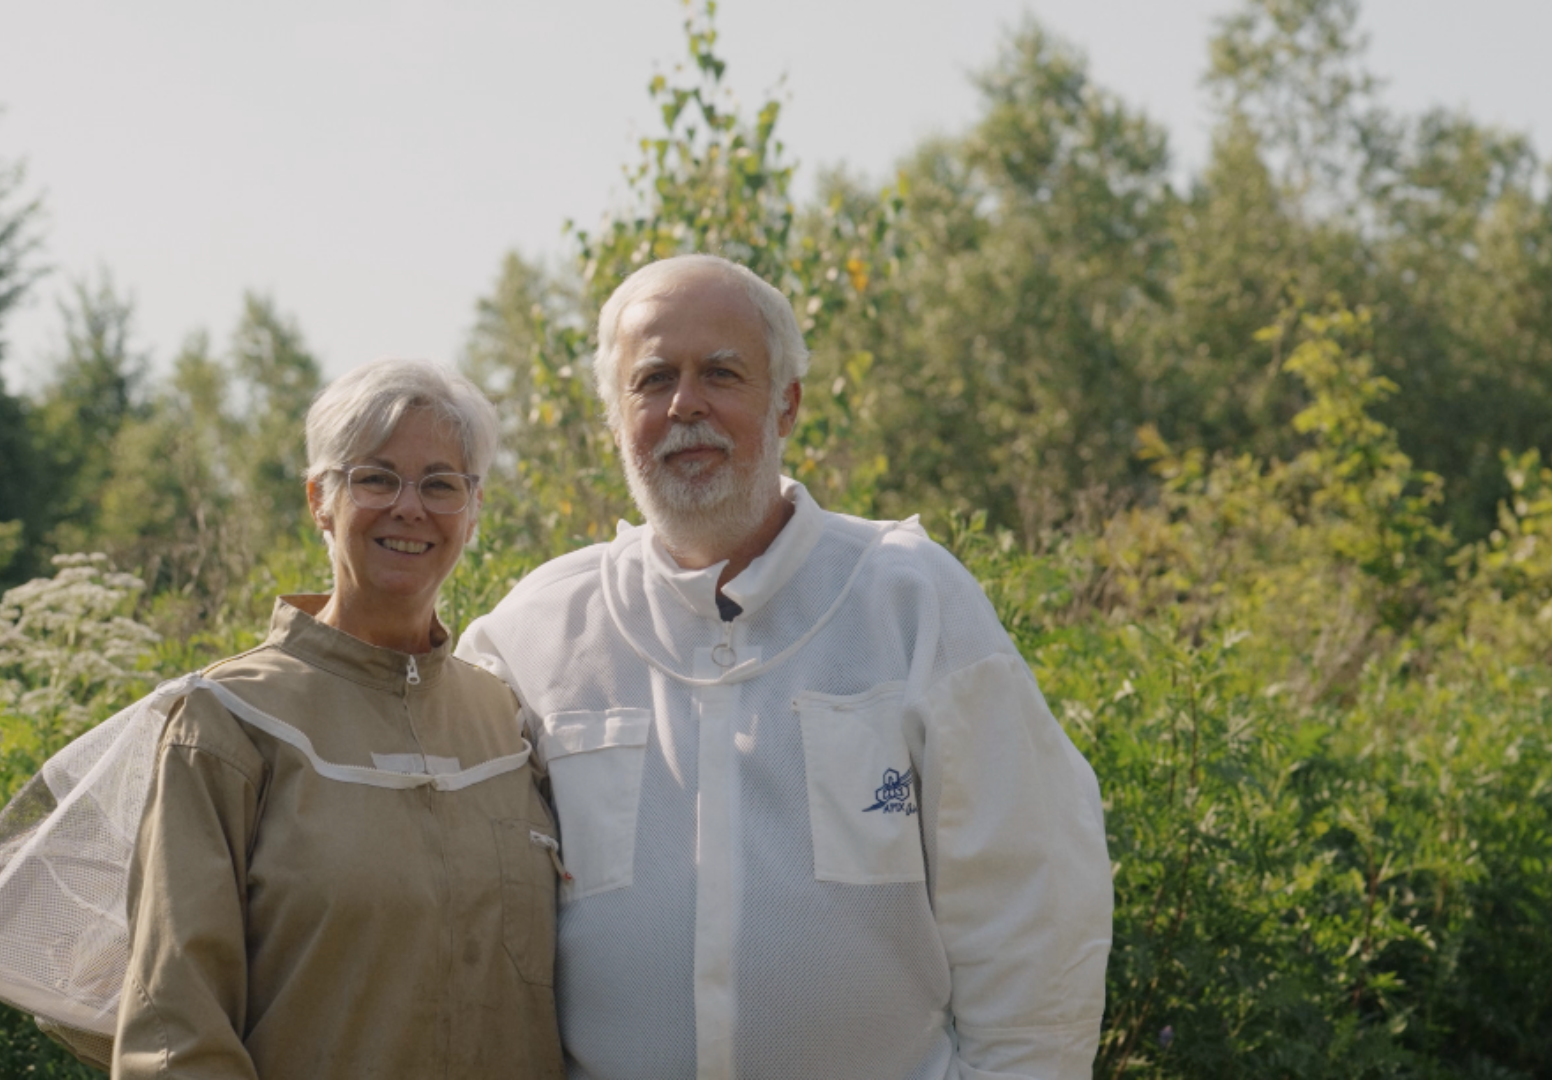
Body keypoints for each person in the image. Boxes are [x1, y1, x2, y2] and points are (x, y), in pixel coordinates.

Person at [456, 254, 1112, 1080]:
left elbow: (1033, 909)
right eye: (652, 380)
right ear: (614, 421)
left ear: (787, 403)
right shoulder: (537, 633)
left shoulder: (909, 601)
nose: (685, 405)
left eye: (721, 374)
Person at [109, 359, 565, 1079]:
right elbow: (175, 1030)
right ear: (320, 499)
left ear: (474, 510)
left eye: (441, 484)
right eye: (376, 478)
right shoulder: (229, 721)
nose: (409, 508)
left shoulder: (505, 717)